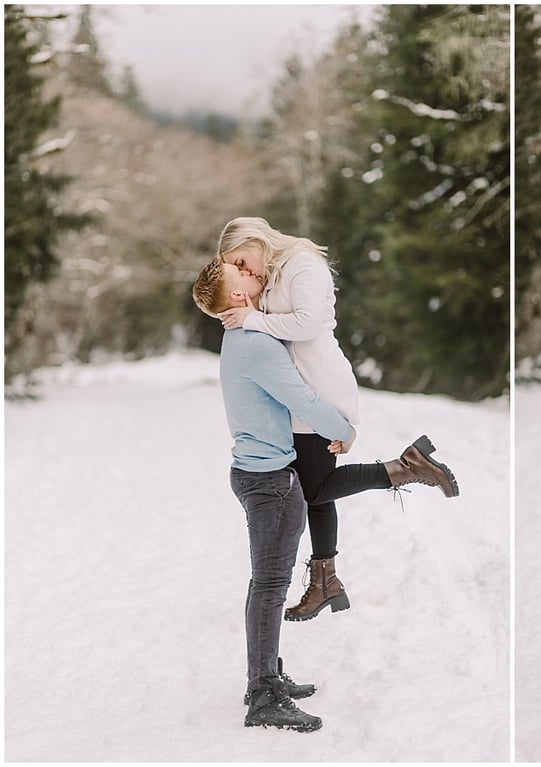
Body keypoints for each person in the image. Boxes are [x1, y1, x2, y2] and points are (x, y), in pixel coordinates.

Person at [212, 217, 459, 620]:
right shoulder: (274, 273)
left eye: (240, 262)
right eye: (236, 269)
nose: (243, 272)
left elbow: (308, 324)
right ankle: (326, 582)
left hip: (320, 387)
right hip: (300, 392)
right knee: (312, 488)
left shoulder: (303, 264)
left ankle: (405, 467)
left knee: (312, 490)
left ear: (255, 241)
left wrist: (252, 319)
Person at [192, 261, 360, 732]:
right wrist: (344, 431)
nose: (252, 273)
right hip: (270, 482)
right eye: (240, 273)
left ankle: (266, 678)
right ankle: (263, 696)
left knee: (264, 585)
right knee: (269, 588)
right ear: (239, 298)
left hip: (260, 475)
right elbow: (301, 399)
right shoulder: (254, 344)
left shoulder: (243, 337)